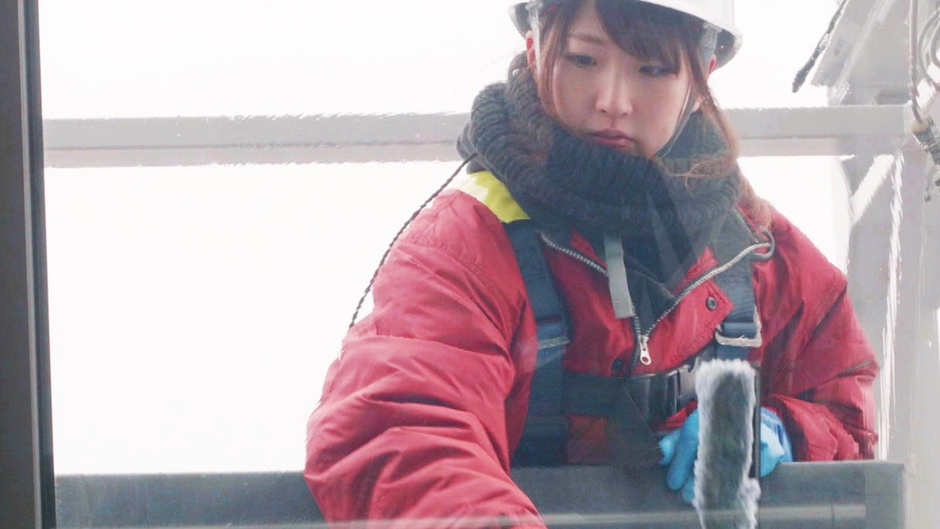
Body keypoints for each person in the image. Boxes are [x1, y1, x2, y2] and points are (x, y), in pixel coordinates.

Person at [304, 0, 879, 525]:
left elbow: (845, 412)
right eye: (583, 59)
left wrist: (781, 429)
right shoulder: (463, 249)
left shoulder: (759, 253)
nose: (612, 100)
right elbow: (400, 432)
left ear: (701, 77)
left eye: (652, 69)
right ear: (536, 50)